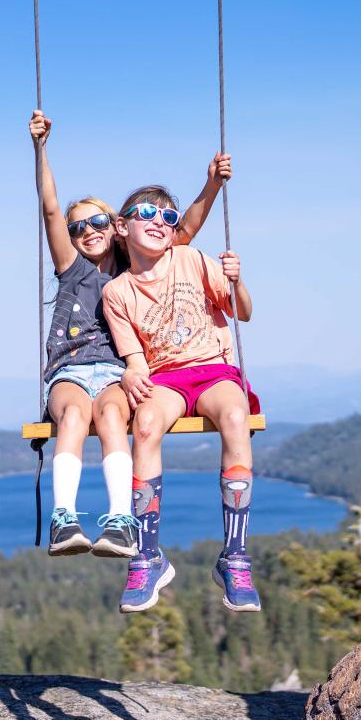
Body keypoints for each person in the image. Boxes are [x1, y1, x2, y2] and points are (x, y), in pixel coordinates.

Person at [29, 111, 230, 556]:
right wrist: (41, 149)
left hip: (118, 373)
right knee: (74, 417)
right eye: (77, 227)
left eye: (98, 222)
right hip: (72, 371)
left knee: (113, 419)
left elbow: (187, 228)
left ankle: (120, 520)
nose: (88, 232)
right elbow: (48, 208)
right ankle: (66, 519)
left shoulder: (135, 266)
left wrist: (211, 185)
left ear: (117, 227)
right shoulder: (72, 270)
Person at [101, 185, 261, 613]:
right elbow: (134, 356)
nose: (159, 222)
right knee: (147, 425)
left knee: (234, 415)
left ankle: (235, 556)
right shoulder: (117, 292)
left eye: (169, 218)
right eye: (147, 213)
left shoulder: (189, 259)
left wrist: (236, 280)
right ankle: (147, 555)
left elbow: (241, 311)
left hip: (213, 366)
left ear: (175, 233)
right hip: (165, 377)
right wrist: (134, 371)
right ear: (122, 226)